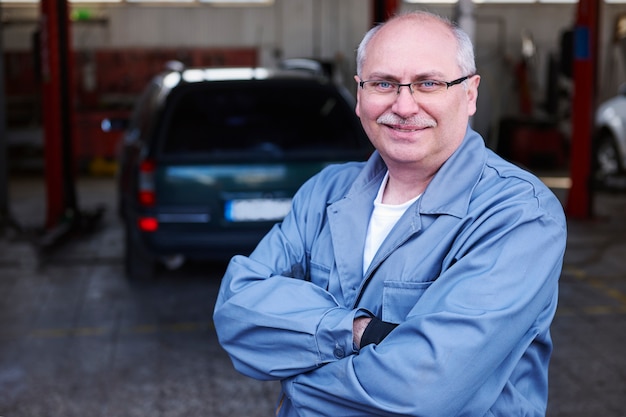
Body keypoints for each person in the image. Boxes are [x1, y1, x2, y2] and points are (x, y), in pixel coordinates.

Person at [213, 10, 567, 417]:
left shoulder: (518, 214)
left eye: (428, 83)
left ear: (470, 94)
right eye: (383, 83)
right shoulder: (325, 192)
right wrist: (355, 331)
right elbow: (236, 310)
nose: (403, 105)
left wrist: (297, 381)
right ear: (360, 94)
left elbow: (423, 389)